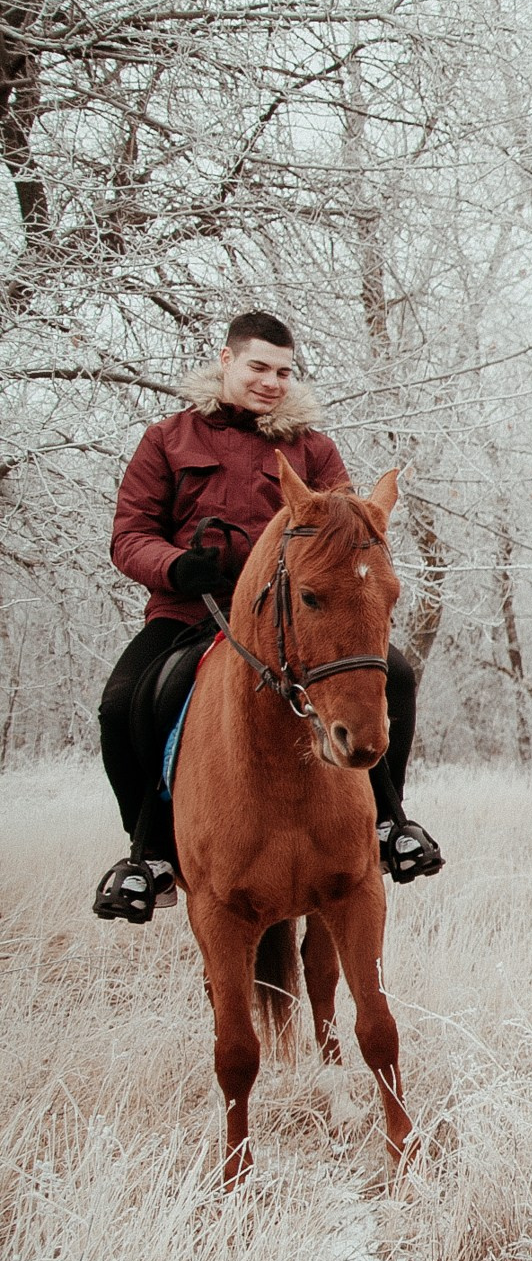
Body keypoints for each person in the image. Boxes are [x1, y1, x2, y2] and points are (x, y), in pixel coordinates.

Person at [91, 312, 445, 923]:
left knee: (398, 675)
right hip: (191, 610)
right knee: (122, 702)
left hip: (294, 620)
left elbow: (350, 530)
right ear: (226, 361)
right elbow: (130, 536)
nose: (271, 381)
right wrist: (177, 567)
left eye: (283, 371)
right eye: (258, 367)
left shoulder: (312, 447)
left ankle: (389, 822)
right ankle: (147, 853)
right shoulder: (166, 440)